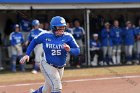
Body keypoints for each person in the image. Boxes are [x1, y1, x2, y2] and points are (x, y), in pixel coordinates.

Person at [20, 16, 80, 93]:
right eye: (59, 27)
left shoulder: (68, 36)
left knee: (47, 89)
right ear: (53, 27)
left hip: (60, 67)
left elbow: (77, 51)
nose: (61, 29)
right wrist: (27, 54)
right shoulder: (45, 35)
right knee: (57, 87)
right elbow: (34, 41)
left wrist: (70, 49)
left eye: (63, 27)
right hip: (47, 64)